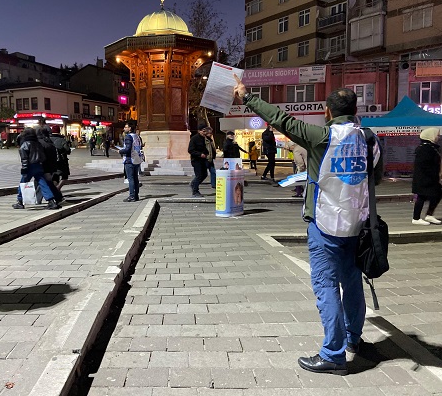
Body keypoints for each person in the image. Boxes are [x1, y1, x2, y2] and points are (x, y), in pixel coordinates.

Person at [235, 76, 383, 376]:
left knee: (326, 285)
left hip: (325, 224)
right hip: (359, 226)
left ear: (328, 112)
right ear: (356, 110)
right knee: (352, 282)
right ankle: (353, 338)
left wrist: (246, 96)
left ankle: (333, 354)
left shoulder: (320, 136)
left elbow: (281, 119)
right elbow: (375, 179)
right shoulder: (369, 139)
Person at [12, 128, 61, 210]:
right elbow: (43, 157)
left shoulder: (25, 144)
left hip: (29, 166)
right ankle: (51, 201)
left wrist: (24, 168)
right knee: (43, 183)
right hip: (39, 166)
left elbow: (24, 159)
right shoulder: (38, 143)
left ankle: (20, 201)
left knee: (23, 183)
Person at [411, 127, 441, 225]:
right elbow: (424, 164)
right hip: (424, 178)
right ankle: (416, 218)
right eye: (436, 135)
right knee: (422, 196)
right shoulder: (425, 148)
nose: (438, 137)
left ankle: (429, 215)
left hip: (429, 178)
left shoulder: (430, 147)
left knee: (437, 194)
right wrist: (432, 175)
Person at [36, 127, 63, 203]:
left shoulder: (39, 143)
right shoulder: (49, 141)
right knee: (47, 182)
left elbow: (40, 156)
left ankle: (51, 198)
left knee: (44, 182)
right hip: (51, 166)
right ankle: (56, 197)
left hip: (43, 166)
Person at [118, 122, 143, 202]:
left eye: (126, 127)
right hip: (136, 160)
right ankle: (136, 196)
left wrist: (120, 151)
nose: (124, 129)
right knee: (135, 178)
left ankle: (132, 196)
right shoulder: (137, 136)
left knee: (130, 179)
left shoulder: (128, 137)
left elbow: (128, 149)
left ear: (130, 128)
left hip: (129, 160)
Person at [188, 124, 210, 197]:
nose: (205, 132)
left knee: (204, 174)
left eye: (205, 131)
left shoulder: (205, 138)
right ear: (199, 131)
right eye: (203, 131)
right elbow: (190, 150)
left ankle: (194, 184)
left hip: (203, 160)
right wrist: (200, 154)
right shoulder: (194, 139)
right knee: (199, 175)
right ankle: (195, 191)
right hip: (196, 160)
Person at [50, 125, 71, 190]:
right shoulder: (62, 140)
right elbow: (68, 150)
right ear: (59, 131)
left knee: (55, 176)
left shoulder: (48, 139)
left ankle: (55, 190)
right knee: (64, 176)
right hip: (61, 161)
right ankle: (57, 189)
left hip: (50, 161)